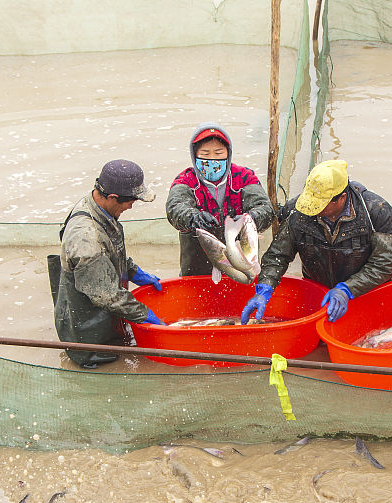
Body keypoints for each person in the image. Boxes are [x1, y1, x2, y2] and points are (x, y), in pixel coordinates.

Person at [240, 159, 392, 324]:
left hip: (372, 293)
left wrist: (348, 289)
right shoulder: (297, 211)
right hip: (320, 291)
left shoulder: (376, 212)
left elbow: (386, 263)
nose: (312, 210)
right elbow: (278, 255)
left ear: (341, 198)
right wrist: (264, 289)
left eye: (320, 205)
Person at [50, 159, 165, 368]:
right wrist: (144, 314)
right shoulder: (85, 238)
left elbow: (109, 250)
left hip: (101, 295)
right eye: (131, 201)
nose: (132, 206)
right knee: (100, 362)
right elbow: (107, 295)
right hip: (86, 327)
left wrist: (133, 271)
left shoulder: (98, 206)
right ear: (112, 197)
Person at [165, 123, 276, 277]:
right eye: (205, 153)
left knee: (244, 286)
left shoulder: (244, 177)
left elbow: (264, 207)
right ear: (194, 155)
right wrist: (192, 217)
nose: (212, 159)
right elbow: (175, 208)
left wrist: (251, 219)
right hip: (197, 262)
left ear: (228, 154)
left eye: (218, 153)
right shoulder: (185, 180)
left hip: (241, 257)